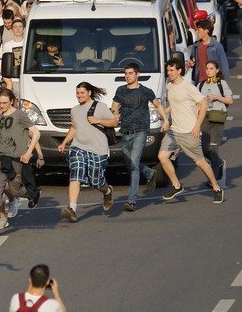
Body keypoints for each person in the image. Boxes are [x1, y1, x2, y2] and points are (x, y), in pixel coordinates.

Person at [160, 58, 224, 203]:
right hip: (174, 131)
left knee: (200, 162)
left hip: (189, 132)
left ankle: (216, 187)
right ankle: (176, 186)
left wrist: (197, 126)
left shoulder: (188, 87)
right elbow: (175, 103)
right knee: (162, 157)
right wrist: (165, 113)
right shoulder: (169, 85)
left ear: (179, 71)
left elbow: (203, 104)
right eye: (168, 70)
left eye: (171, 70)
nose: (169, 73)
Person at [111, 63, 170, 212]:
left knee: (134, 166)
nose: (127, 76)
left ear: (137, 74)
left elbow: (158, 105)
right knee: (130, 164)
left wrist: (166, 120)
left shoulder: (145, 91)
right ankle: (150, 173)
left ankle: (131, 201)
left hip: (141, 132)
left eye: (130, 73)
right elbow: (114, 105)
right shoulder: (121, 90)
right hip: (125, 132)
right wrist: (115, 113)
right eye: (126, 73)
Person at [58, 82, 118, 222]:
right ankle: (72, 209)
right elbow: (74, 127)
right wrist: (64, 142)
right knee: (75, 174)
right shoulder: (74, 110)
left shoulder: (100, 107)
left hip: (98, 149)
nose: (79, 96)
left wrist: (98, 120)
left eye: (82, 93)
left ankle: (107, 192)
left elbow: (114, 122)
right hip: (78, 147)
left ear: (89, 93)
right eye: (77, 93)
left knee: (96, 181)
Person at [0, 88, 41, 231]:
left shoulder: (20, 115)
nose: (1, 105)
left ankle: (32, 194)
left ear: (11, 101)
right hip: (1, 157)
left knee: (15, 191)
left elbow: (36, 133)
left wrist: (29, 152)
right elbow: (2, 138)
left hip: (17, 158)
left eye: (4, 103)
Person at [199, 60, 233, 186]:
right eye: (207, 68)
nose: (208, 71)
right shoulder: (201, 84)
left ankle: (213, 179)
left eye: (211, 68)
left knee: (213, 148)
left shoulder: (221, 84)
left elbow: (230, 101)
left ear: (217, 70)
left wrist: (216, 97)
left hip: (217, 118)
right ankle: (218, 162)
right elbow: (196, 101)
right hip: (204, 118)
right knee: (203, 148)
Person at [191, 19, 230, 84]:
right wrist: (191, 63)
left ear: (206, 30)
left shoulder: (216, 46)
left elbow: (224, 67)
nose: (196, 32)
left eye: (198, 30)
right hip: (200, 83)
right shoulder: (196, 46)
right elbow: (194, 63)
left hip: (214, 82)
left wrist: (224, 86)